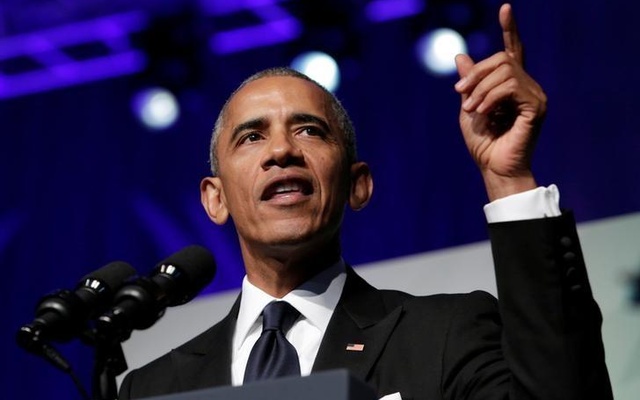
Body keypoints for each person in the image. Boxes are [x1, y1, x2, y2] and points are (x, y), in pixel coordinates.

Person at [118, 4, 613, 400]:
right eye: (251, 137)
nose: (282, 151)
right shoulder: (154, 388)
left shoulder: (443, 336)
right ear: (215, 199)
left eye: (310, 130)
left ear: (359, 185)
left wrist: (511, 182)